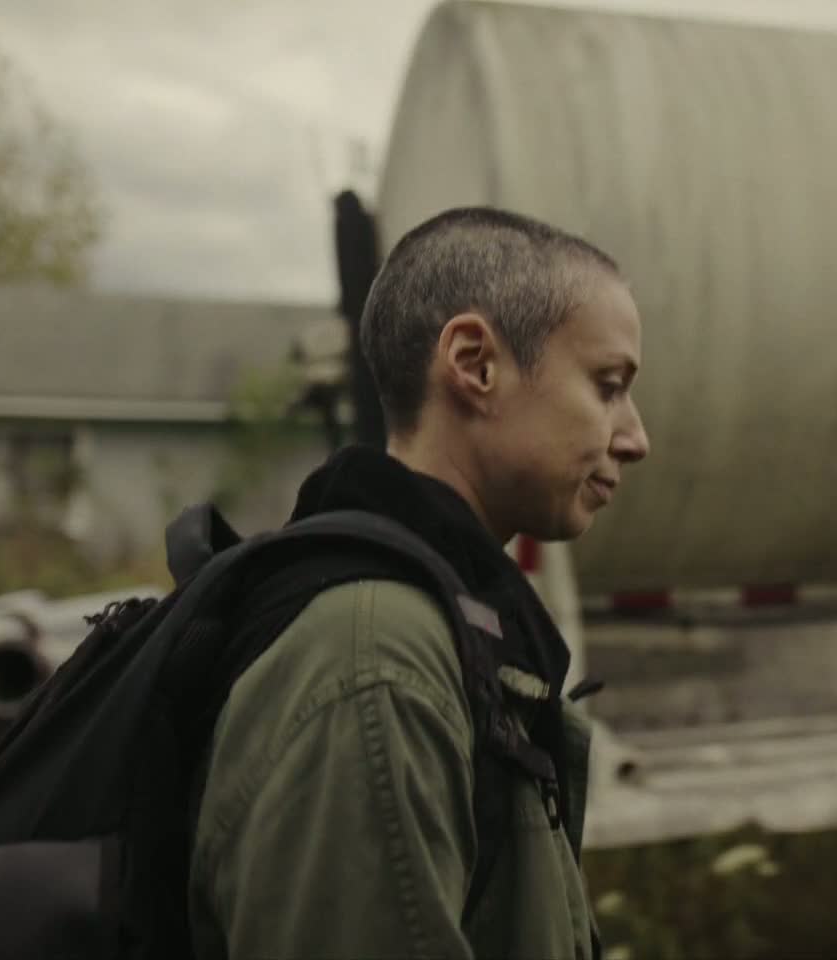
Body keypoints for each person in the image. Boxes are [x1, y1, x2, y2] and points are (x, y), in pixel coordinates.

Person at [187, 206, 650, 959]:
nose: (635, 438)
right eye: (608, 386)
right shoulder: (375, 661)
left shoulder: (442, 628)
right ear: (475, 364)